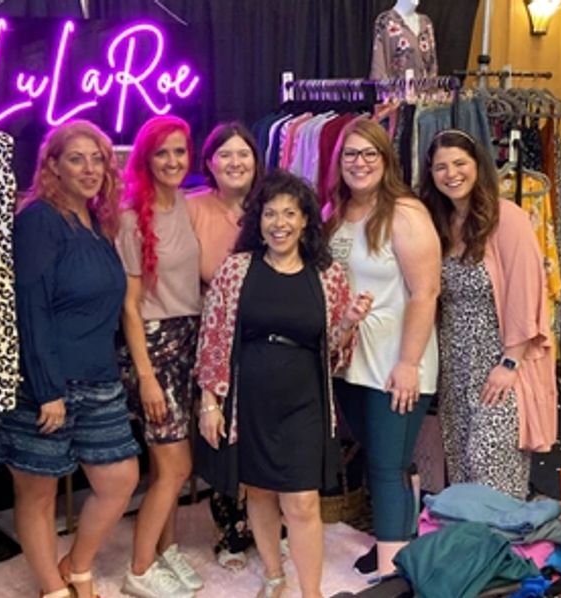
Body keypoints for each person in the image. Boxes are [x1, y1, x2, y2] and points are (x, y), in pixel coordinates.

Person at [196, 169, 373, 598]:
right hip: (250, 400)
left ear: (306, 219)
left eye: (290, 213)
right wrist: (209, 402)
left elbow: (334, 352)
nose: (280, 223)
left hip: (304, 401)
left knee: (302, 501)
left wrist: (349, 323)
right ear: (258, 221)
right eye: (270, 213)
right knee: (258, 491)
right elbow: (213, 336)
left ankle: (311, 592)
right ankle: (274, 576)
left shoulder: (327, 274)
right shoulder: (237, 270)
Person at [3, 120, 141, 598]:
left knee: (120, 479)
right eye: (76, 159)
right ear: (53, 166)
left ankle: (76, 565)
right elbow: (31, 306)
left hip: (98, 378)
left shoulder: (97, 223)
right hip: (47, 383)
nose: (89, 169)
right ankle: (53, 589)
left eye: (97, 159)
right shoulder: (39, 220)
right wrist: (47, 389)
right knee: (38, 492)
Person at [324, 116, 441, 576]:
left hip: (395, 360)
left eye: (369, 153)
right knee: (383, 459)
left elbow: (425, 292)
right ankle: (401, 544)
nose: (360, 162)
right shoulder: (335, 211)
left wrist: (408, 363)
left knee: (387, 466)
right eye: (351, 154)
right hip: (350, 359)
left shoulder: (405, 213)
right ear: (339, 161)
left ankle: (392, 573)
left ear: (386, 159)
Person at [419, 129, 557, 499]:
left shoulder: (508, 218)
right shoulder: (440, 223)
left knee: (490, 466)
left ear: (478, 165)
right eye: (441, 167)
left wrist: (509, 363)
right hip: (455, 367)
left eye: (459, 163)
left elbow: (528, 294)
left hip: (500, 364)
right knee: (463, 470)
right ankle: (473, 538)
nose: (451, 174)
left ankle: (503, 536)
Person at [116, 115, 202, 598]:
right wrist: (146, 376)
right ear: (145, 160)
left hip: (189, 339)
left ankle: (166, 549)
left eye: (179, 151)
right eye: (162, 153)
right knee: (176, 467)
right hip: (153, 345)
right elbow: (129, 306)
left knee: (165, 465)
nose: (172, 161)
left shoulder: (188, 204)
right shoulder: (132, 218)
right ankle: (139, 568)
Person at [186, 121, 264, 572]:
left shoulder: (271, 205)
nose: (236, 163)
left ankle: (268, 523)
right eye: (226, 155)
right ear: (210, 163)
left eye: (243, 154)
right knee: (223, 436)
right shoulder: (193, 208)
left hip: (265, 337)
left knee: (262, 433)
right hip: (214, 337)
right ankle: (230, 530)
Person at [369, 0, 438, 80]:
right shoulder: (385, 21)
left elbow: (432, 66)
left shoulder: (425, 22)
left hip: (425, 87)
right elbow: (378, 68)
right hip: (396, 87)